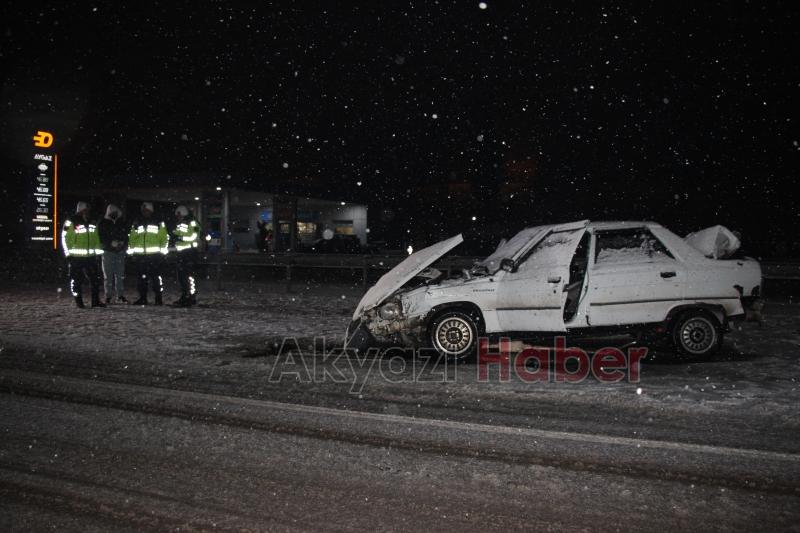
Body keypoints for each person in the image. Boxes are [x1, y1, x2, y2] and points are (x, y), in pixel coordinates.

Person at [61, 201, 105, 308]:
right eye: (85, 209)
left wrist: (98, 253)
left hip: (90, 257)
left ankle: (95, 301)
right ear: (80, 210)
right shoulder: (70, 221)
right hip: (76, 258)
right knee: (76, 280)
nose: (87, 211)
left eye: (88, 209)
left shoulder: (92, 221)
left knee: (95, 280)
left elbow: (96, 238)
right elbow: (64, 238)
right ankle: (79, 301)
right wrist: (68, 255)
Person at [128, 202, 169, 305]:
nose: (145, 212)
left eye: (147, 210)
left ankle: (158, 298)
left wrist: (163, 251)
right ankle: (143, 298)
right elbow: (132, 237)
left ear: (151, 210)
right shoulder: (137, 222)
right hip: (140, 256)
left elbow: (164, 237)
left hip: (154, 256)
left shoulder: (158, 222)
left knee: (156, 278)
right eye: (143, 210)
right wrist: (131, 251)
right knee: (142, 279)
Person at [98, 204, 129, 304]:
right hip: (108, 252)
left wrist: (122, 243)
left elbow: (125, 235)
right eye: (112, 213)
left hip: (120, 252)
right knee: (108, 275)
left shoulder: (121, 222)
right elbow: (100, 237)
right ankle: (108, 296)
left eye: (115, 213)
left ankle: (120, 295)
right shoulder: (103, 223)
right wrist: (110, 244)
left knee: (120, 275)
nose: (113, 214)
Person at [170, 205, 200, 307]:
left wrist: (179, 237)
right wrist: (174, 236)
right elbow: (177, 234)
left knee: (188, 275)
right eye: (177, 216)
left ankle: (191, 296)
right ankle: (185, 295)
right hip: (182, 253)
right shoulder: (180, 224)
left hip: (190, 252)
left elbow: (194, 236)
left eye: (180, 215)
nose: (178, 217)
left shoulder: (192, 222)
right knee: (182, 276)